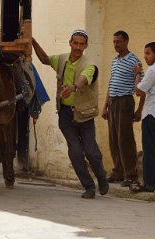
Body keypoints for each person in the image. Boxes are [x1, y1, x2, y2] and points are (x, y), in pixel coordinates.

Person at [32, 30, 109, 199]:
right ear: (70, 43)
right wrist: (33, 42)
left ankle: (101, 177)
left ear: (86, 46)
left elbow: (83, 79)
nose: (78, 47)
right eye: (76, 43)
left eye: (82, 44)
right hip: (66, 114)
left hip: (85, 114)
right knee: (75, 151)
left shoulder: (89, 65)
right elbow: (45, 60)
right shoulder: (62, 60)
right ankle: (88, 186)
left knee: (91, 151)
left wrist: (73, 87)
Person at [102, 30, 145, 187]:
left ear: (126, 42)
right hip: (113, 101)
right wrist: (105, 105)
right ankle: (118, 172)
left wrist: (139, 110)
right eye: (114, 42)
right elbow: (111, 83)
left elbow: (142, 87)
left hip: (125, 102)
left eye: (118, 42)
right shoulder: (114, 61)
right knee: (113, 139)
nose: (115, 44)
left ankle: (131, 174)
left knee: (124, 139)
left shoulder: (135, 61)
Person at [130, 42, 155, 192]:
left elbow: (139, 91)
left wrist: (138, 74)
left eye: (148, 53)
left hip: (152, 114)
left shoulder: (153, 70)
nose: (145, 57)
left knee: (149, 151)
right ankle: (151, 183)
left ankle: (147, 184)